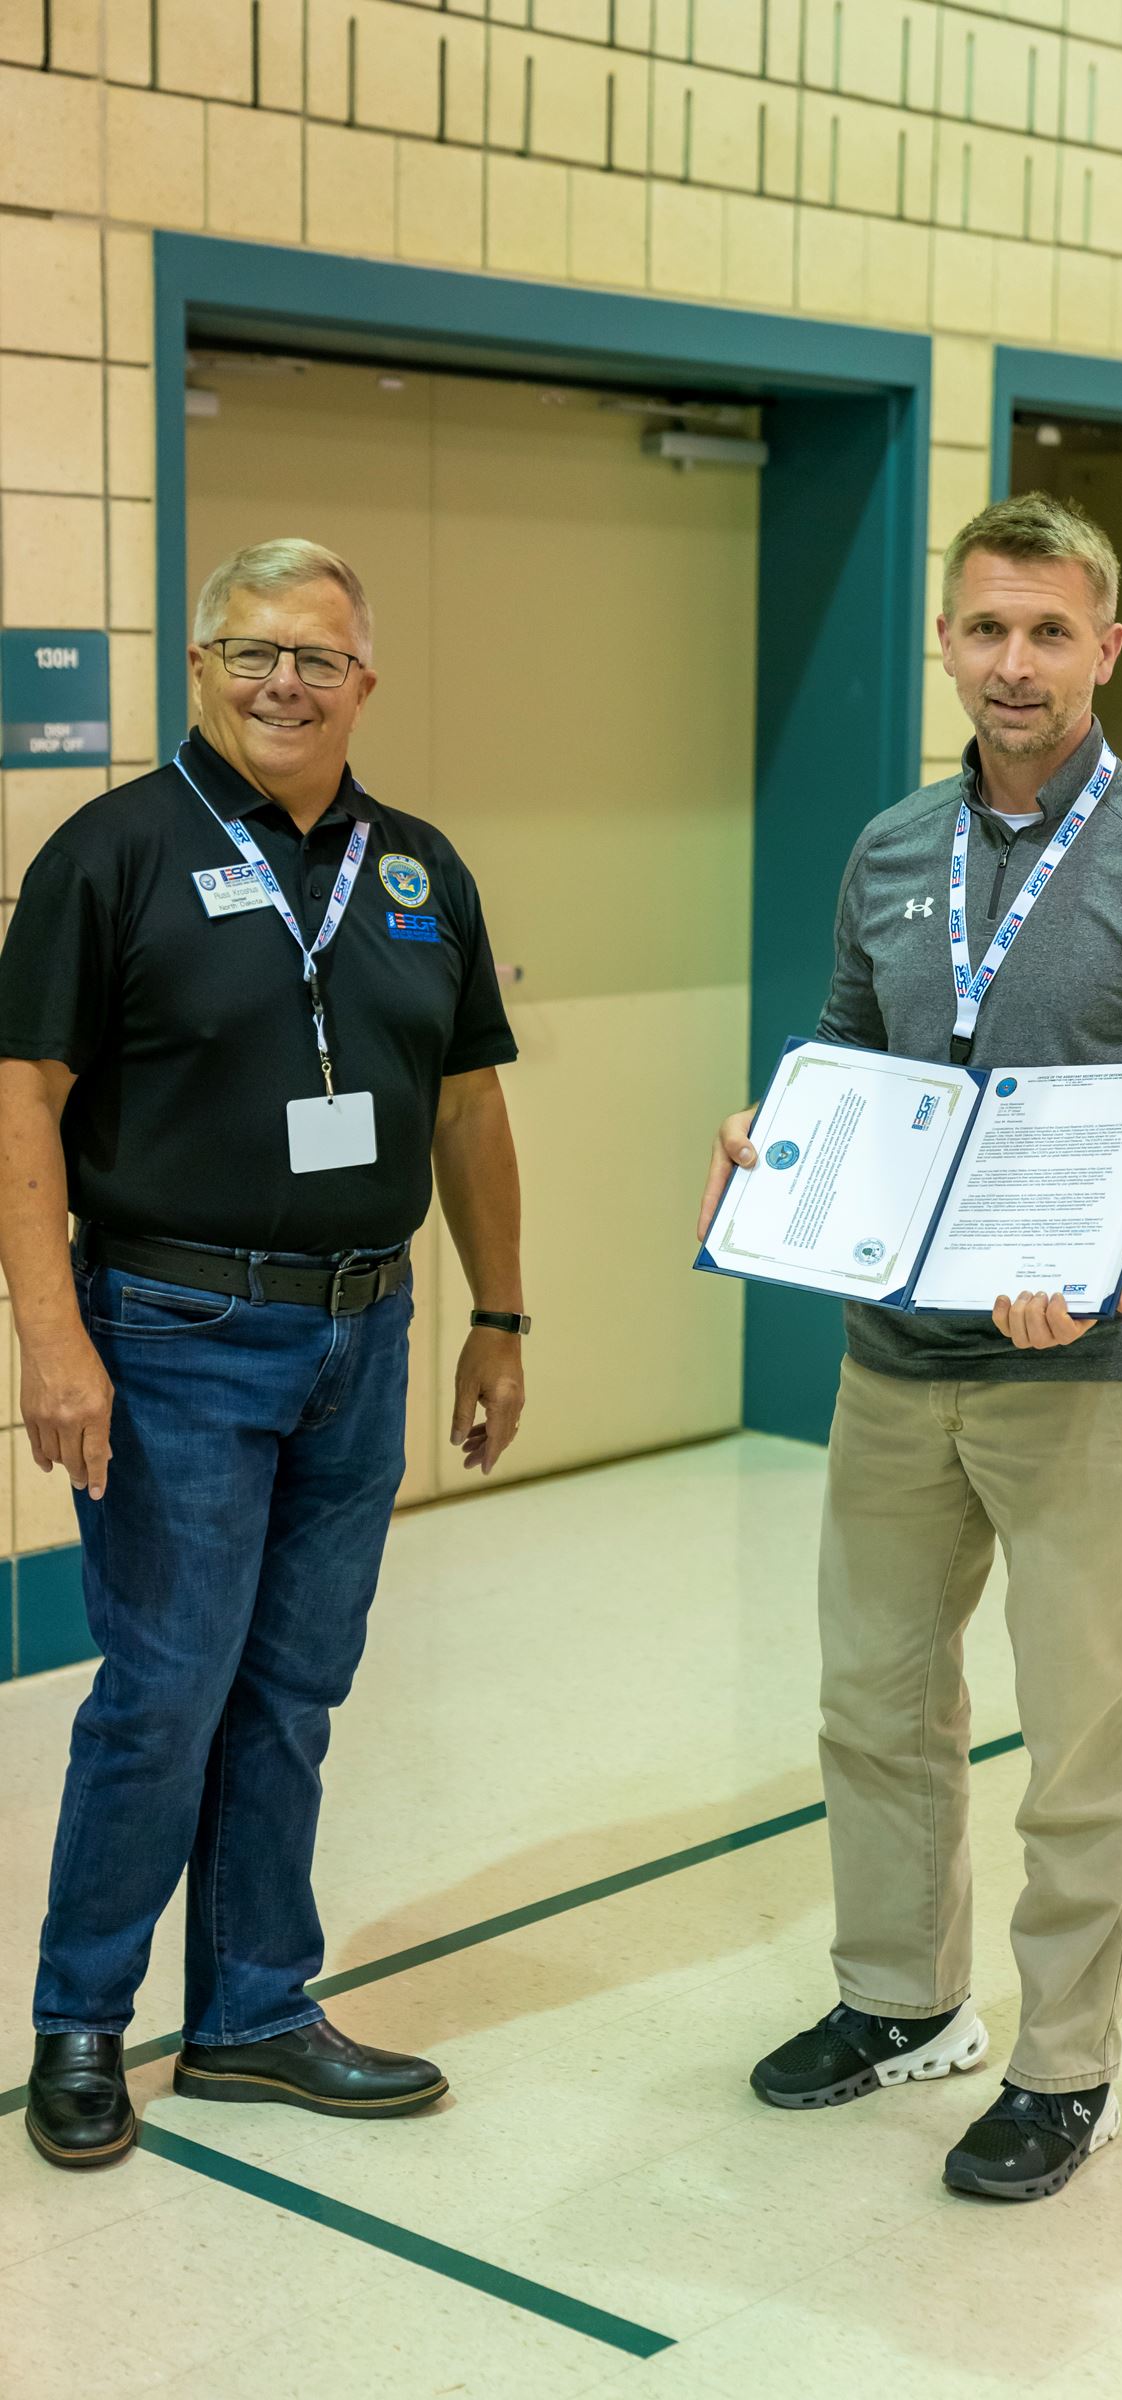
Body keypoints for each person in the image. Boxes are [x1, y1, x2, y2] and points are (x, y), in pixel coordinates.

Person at [698, 491, 1122, 2202]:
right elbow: (846, 1052)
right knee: (874, 1708)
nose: (1011, 662)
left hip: (1079, 1380)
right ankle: (896, 1999)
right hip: (894, 1368)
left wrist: (1103, 1255)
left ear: (1105, 647)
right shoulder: (891, 852)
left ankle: (1062, 2065)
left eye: (1047, 630)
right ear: (945, 642)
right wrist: (781, 1139)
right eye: (983, 628)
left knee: (1080, 1744)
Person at [0, 538, 528, 2169]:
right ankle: (83, 2022)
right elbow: (22, 1102)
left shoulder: (420, 867)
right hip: (170, 1334)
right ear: (203, 673)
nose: (283, 683)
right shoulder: (113, 854)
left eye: (316, 657)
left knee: (295, 1687)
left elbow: (469, 1105)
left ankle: (250, 2014)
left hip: (363, 1336)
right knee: (164, 1690)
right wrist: (52, 1340)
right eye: (251, 654)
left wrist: (500, 1314)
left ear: (365, 680)